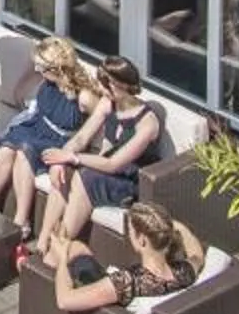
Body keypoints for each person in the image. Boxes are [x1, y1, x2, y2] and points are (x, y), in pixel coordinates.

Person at [37, 54, 166, 243]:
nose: (101, 89)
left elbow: (114, 164)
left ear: (123, 85)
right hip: (107, 167)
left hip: (130, 180)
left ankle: (61, 244)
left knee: (85, 177)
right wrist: (61, 157)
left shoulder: (147, 122)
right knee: (64, 170)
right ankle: (42, 242)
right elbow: (82, 137)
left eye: (107, 85)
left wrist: (72, 157)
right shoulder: (108, 103)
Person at [0, 37, 94, 237]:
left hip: (58, 139)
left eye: (41, 67)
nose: (37, 69)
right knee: (7, 147)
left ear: (57, 68)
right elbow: (20, 93)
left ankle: (21, 220)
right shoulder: (46, 81)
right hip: (37, 126)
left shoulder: (84, 96)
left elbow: (98, 123)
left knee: (25, 151)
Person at [49, 199, 203, 314]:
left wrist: (62, 258)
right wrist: (169, 225)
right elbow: (197, 254)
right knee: (76, 247)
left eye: (130, 231)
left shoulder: (127, 283)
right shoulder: (184, 272)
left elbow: (64, 301)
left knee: (71, 250)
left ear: (142, 241)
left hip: (106, 312)